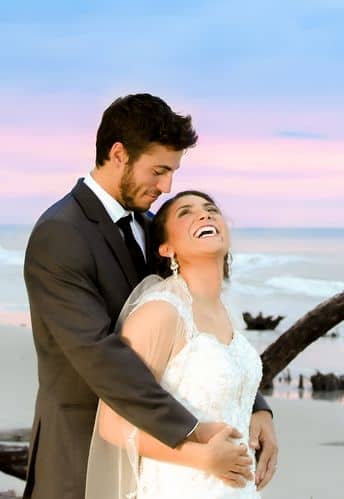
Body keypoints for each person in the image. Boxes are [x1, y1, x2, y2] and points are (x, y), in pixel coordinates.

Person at [23, 94, 277, 499]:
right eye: (158, 171)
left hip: (162, 468)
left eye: (173, 172)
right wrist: (193, 434)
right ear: (119, 154)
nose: (166, 187)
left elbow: (197, 319)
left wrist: (254, 404)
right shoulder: (61, 234)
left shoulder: (152, 224)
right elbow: (102, 355)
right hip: (81, 453)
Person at [88, 190, 267, 498]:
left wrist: (261, 415)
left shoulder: (227, 311)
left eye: (211, 209)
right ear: (166, 248)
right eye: (186, 212)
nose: (205, 214)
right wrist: (204, 458)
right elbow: (113, 424)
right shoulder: (160, 312)